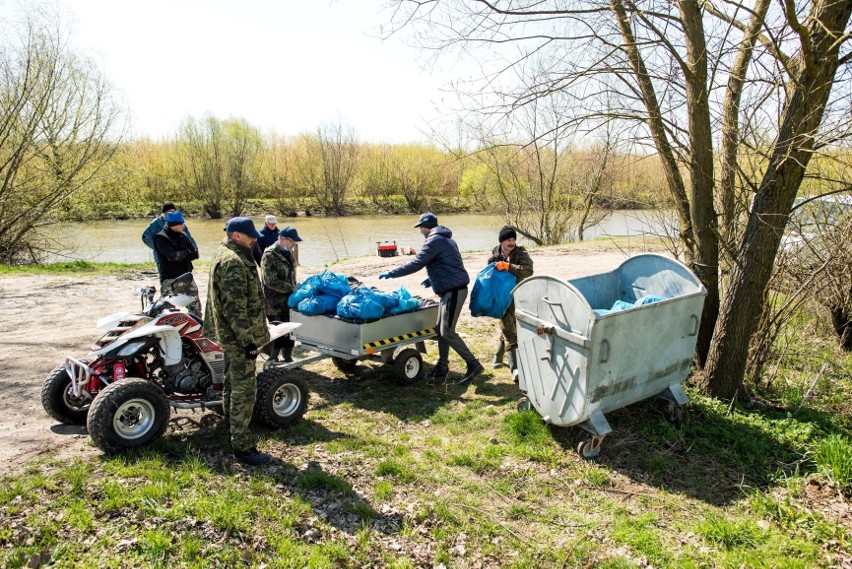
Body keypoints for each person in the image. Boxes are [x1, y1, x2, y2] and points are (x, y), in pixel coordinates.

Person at [379, 212, 484, 384]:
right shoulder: (447, 239)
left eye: (420, 228)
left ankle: (473, 364)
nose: (420, 231)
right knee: (440, 329)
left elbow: (417, 262)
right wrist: (433, 278)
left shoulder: (434, 240)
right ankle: (442, 367)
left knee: (447, 332)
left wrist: (392, 273)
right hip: (451, 290)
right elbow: (449, 264)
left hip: (454, 291)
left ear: (425, 226)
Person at [205, 217, 272, 466]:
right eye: (249, 236)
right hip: (239, 339)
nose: (254, 239)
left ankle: (231, 430)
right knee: (244, 392)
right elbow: (235, 310)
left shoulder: (229, 253)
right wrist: (248, 342)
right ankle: (243, 446)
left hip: (231, 337)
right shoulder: (232, 262)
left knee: (232, 385)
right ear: (236, 236)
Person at [487, 225, 533, 372]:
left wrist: (508, 266)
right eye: (508, 240)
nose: (512, 243)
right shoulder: (495, 253)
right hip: (501, 298)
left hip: (518, 296)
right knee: (510, 332)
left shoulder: (521, 252)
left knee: (509, 326)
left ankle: (498, 357)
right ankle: (516, 370)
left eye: (513, 239)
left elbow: (528, 271)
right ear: (501, 241)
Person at [261, 226, 302, 362]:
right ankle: (272, 359)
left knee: (291, 331)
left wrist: (295, 288)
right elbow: (270, 281)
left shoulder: (288, 253)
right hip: (274, 304)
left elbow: (291, 275)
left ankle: (288, 357)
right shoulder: (269, 255)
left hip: (288, 301)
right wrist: (291, 288)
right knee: (279, 333)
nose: (293, 245)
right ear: (282, 239)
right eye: (292, 242)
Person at [152, 211, 202, 316]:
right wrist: (186, 254)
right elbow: (172, 256)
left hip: (186, 276)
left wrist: (183, 255)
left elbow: (194, 253)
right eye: (182, 223)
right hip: (171, 279)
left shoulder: (182, 235)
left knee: (196, 306)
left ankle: (197, 327)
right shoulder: (161, 238)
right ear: (174, 225)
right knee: (166, 308)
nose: (184, 225)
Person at [142, 201, 197, 282]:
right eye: (169, 211)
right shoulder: (156, 223)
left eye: (173, 211)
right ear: (164, 212)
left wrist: (195, 249)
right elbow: (145, 237)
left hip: (181, 258)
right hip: (163, 258)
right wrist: (158, 247)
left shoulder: (180, 223)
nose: (171, 213)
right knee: (167, 280)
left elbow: (189, 238)